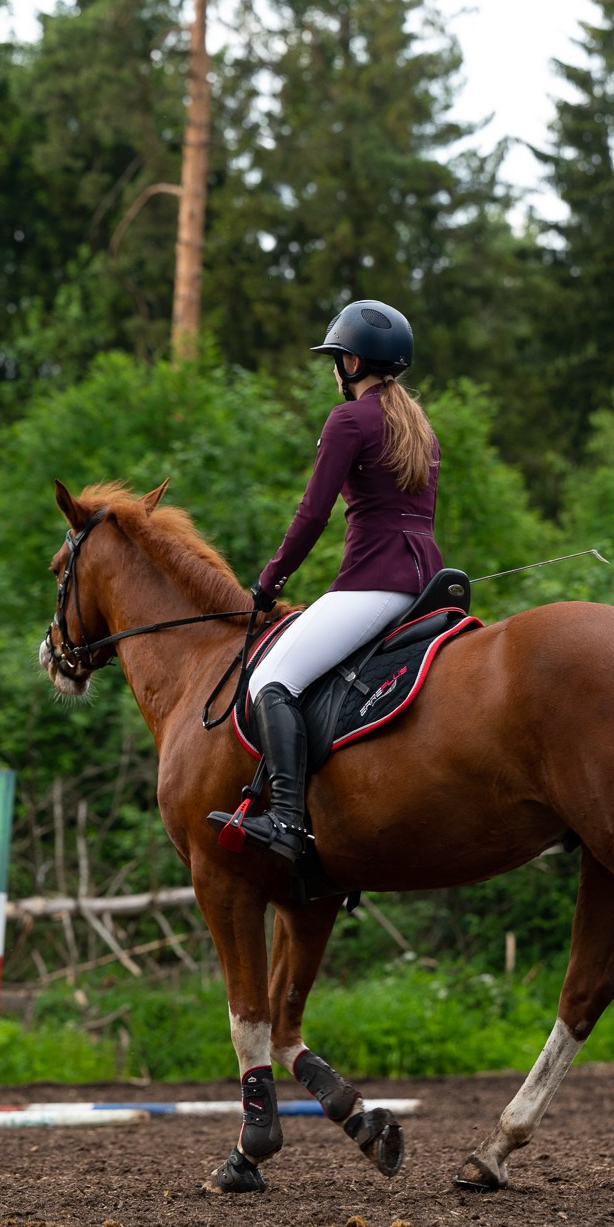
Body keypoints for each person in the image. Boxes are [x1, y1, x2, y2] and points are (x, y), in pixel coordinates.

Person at [208, 300, 443, 865]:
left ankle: (287, 818)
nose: (333, 370)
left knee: (272, 679)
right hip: (426, 582)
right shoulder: (419, 426)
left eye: (336, 360)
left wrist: (269, 581)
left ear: (354, 361)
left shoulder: (350, 420)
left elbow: (312, 515)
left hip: (372, 584)